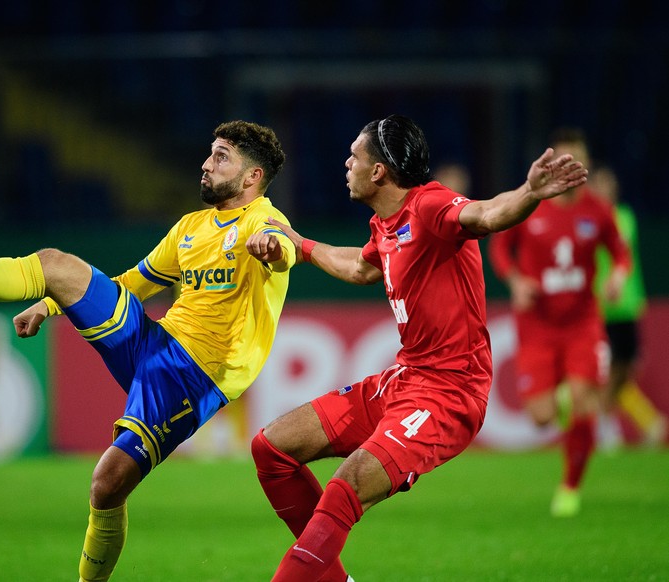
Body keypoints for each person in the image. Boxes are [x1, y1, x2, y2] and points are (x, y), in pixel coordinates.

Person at [0, 120, 294, 581]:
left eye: (221, 156)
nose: (206, 163)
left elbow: (283, 247)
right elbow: (133, 284)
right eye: (210, 152)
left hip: (195, 377)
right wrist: (49, 305)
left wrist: (273, 248)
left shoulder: (264, 222)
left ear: (252, 178)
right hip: (154, 342)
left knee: (106, 485)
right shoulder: (192, 227)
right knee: (55, 266)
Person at [250, 114, 588, 581]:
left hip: (450, 393)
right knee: (271, 447)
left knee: (347, 485)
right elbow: (358, 268)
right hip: (407, 379)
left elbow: (486, 214)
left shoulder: (430, 205)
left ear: (378, 171)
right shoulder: (384, 225)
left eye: (355, 155)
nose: (346, 162)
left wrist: (529, 192)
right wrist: (300, 245)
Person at [488, 127, 631, 517]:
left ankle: (570, 486)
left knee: (587, 402)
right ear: (549, 164)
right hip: (536, 324)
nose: (567, 167)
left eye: (575, 160)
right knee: (541, 417)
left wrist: (617, 277)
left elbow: (621, 253)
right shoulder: (530, 202)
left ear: (584, 164)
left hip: (583, 321)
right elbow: (501, 246)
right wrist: (516, 281)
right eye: (560, 160)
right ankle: (565, 396)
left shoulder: (598, 209)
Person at [590, 164, 666, 447]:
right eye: (599, 184)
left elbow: (622, 253)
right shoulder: (588, 218)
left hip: (627, 304)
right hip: (599, 309)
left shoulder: (624, 217)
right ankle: (608, 427)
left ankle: (620, 422)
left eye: (608, 184)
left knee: (626, 370)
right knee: (605, 372)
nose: (604, 190)